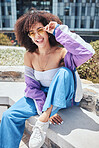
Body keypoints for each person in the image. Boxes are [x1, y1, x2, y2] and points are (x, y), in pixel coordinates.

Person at [0, 8, 95, 148]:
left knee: (64, 72)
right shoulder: (30, 55)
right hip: (41, 97)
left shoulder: (62, 52)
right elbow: (31, 87)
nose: (36, 35)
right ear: (28, 36)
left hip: (64, 97)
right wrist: (46, 107)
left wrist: (58, 30)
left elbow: (87, 52)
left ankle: (42, 123)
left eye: (39, 30)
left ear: (47, 30)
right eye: (31, 33)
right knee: (9, 116)